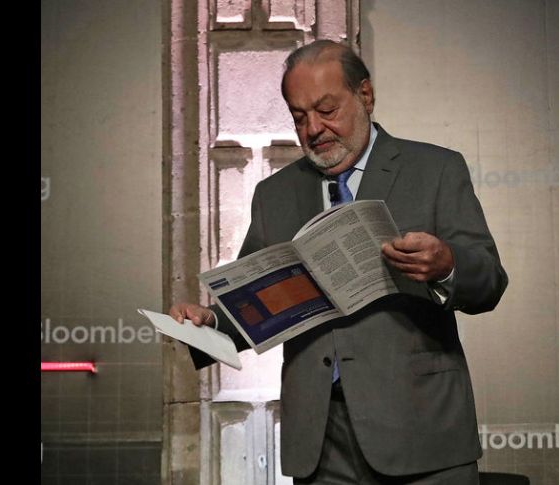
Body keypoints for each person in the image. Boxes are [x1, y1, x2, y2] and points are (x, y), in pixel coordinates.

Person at [169, 40, 508, 484]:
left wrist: (446, 266)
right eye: (299, 117)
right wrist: (209, 324)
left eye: (326, 110)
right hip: (321, 445)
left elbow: (489, 281)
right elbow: (257, 306)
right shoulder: (274, 194)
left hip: (423, 432)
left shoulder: (436, 169)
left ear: (365, 95)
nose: (313, 129)